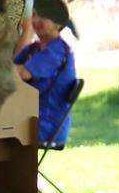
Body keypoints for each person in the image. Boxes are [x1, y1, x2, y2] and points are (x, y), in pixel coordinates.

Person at [15, 13, 78, 147]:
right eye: (34, 15)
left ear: (59, 23)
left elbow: (22, 74)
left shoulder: (57, 50)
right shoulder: (33, 49)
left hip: (45, 125)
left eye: (44, 15)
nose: (37, 20)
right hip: (26, 120)